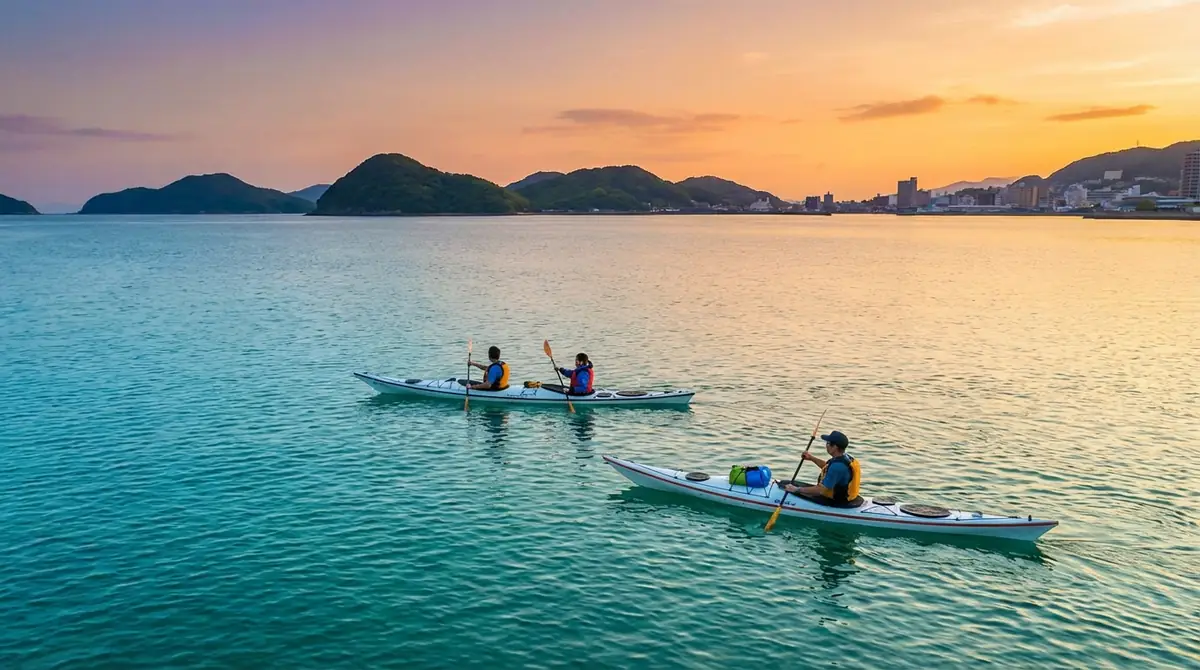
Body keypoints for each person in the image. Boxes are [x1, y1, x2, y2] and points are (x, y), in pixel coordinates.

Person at [783, 430, 861, 506]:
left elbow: (820, 490)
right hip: (849, 497)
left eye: (828, 443)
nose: (826, 445)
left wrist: (796, 489)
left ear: (835, 447)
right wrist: (811, 458)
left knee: (790, 486)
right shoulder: (845, 458)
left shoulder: (838, 467)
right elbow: (827, 467)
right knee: (785, 483)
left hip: (839, 501)